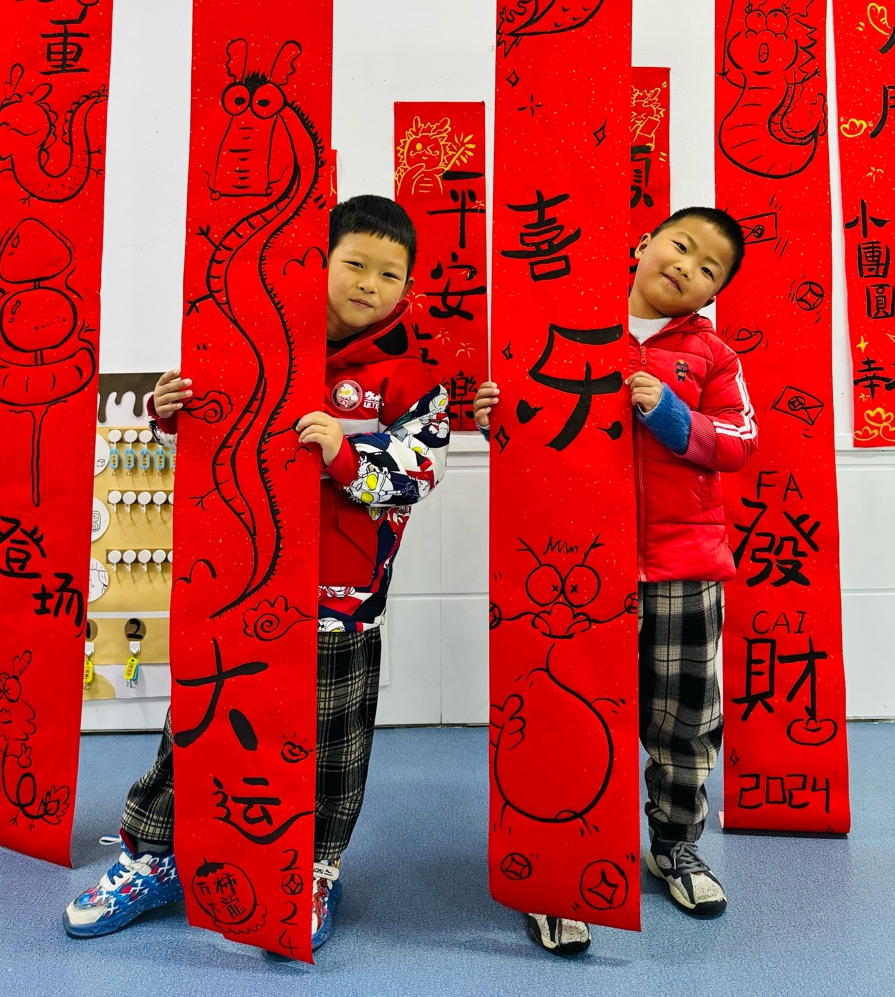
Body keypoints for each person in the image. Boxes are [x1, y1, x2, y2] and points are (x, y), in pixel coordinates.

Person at [64, 195, 450, 952]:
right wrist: (170, 410)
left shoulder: (410, 379)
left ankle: (315, 868)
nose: (369, 284)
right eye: (355, 263)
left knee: (332, 740)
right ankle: (156, 855)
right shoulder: (247, 341)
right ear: (318, 262)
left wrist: (345, 453)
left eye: (390, 274)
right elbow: (207, 440)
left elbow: (419, 471)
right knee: (200, 723)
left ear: (408, 288)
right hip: (237, 583)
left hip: (341, 598)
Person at [475, 206, 756, 957]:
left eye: (708, 269)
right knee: (562, 718)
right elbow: (527, 421)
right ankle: (558, 874)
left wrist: (671, 414)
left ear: (713, 294)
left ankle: (674, 846)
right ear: (643, 242)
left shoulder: (713, 356)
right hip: (573, 565)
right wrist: (494, 414)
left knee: (682, 719)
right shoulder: (566, 327)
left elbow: (739, 442)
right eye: (681, 245)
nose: (687, 267)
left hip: (681, 565)